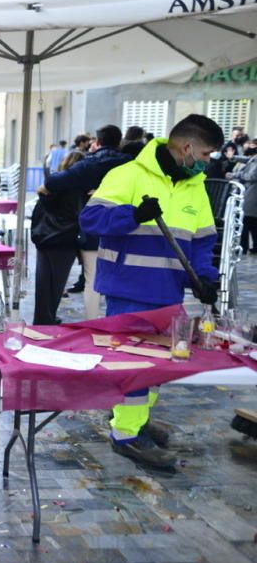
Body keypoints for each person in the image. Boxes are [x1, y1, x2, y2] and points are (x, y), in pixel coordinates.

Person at [80, 114, 222, 468]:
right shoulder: (127, 175)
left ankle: (136, 420)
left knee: (157, 366)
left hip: (169, 293)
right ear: (187, 148)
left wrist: (204, 279)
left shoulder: (195, 186)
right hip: (127, 289)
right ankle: (126, 434)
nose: (207, 162)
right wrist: (134, 215)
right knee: (133, 365)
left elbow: (202, 242)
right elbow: (91, 220)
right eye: (205, 154)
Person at [39, 125, 129, 319]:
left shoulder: (89, 164)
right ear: (119, 141)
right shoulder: (130, 164)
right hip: (124, 227)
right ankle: (118, 322)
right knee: (120, 278)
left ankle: (92, 324)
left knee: (92, 280)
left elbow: (53, 183)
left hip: (93, 229)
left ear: (97, 141)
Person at [31, 150, 84, 326]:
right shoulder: (79, 189)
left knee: (43, 282)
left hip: (44, 237)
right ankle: (48, 319)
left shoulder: (51, 184)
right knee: (57, 285)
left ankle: (42, 318)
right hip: (64, 240)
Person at [235, 150, 257, 254]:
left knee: (247, 221)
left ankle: (244, 246)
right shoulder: (254, 158)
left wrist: (238, 175)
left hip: (252, 193)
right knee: (250, 222)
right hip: (251, 193)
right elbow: (248, 160)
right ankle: (248, 246)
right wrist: (233, 157)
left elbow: (252, 176)